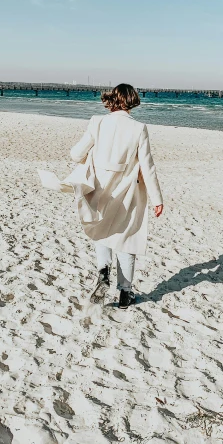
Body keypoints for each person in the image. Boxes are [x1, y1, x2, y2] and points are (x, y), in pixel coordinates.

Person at [65, 83, 163, 308]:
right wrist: (157, 199)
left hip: (99, 187)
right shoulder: (138, 128)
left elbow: (75, 154)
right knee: (126, 238)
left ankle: (103, 272)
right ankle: (125, 293)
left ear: (113, 99)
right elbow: (148, 167)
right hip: (125, 191)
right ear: (132, 101)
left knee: (101, 231)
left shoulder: (97, 122)